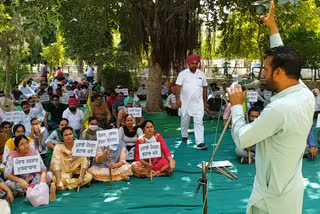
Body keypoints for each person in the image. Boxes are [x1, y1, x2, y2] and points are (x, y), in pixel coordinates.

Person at [227, 2, 314, 213]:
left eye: (265, 69)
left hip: (272, 199)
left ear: (278, 73)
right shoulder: (303, 92)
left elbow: (242, 139)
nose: (263, 73)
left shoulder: (280, 108)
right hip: (289, 188)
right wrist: (273, 29)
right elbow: (286, 59)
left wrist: (237, 106)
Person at [175, 54, 208, 149]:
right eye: (192, 63)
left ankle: (200, 142)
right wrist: (178, 99)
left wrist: (205, 102)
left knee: (199, 122)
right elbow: (178, 87)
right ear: (188, 64)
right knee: (184, 121)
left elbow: (205, 88)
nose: (194, 65)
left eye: (196, 63)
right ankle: (184, 136)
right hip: (185, 102)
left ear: (198, 64)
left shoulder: (201, 74)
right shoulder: (182, 74)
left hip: (198, 103)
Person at [51, 126, 92, 190]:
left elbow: (85, 161)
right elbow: (56, 163)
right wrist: (58, 181)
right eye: (66, 135)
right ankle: (79, 183)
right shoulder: (58, 146)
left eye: (70, 134)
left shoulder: (79, 145)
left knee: (89, 177)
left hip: (77, 172)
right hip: (65, 173)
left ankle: (65, 187)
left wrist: (81, 176)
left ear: (73, 135)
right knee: (55, 178)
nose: (68, 136)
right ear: (62, 137)